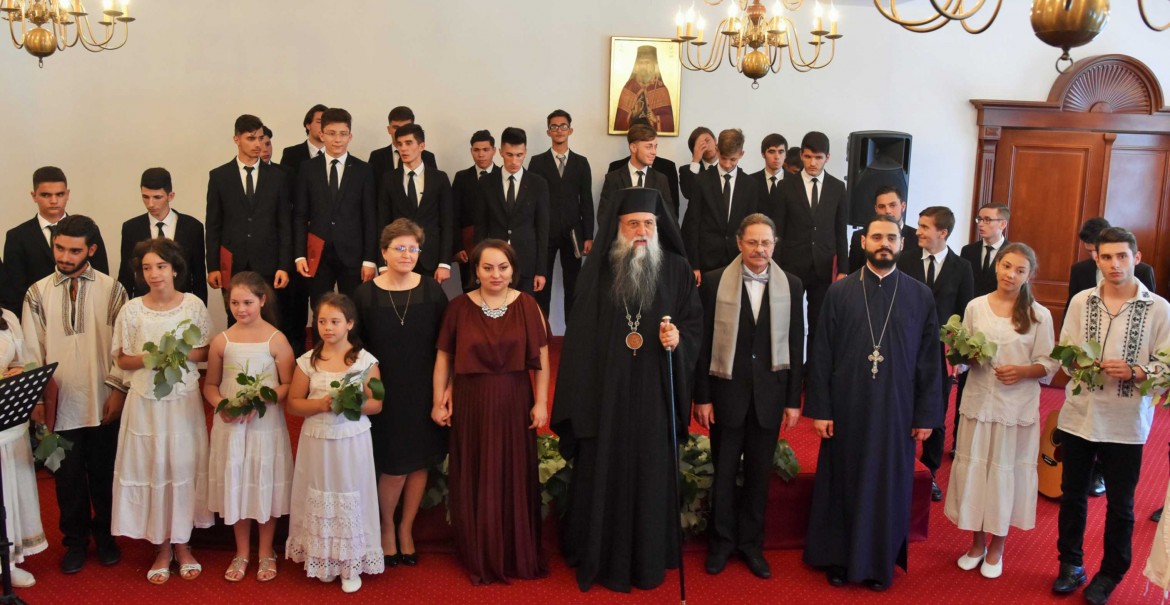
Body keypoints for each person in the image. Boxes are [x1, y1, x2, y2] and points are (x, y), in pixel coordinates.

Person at [553, 187, 702, 592]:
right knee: (604, 467)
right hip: (606, 395)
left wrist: (678, 339)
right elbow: (579, 339)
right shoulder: (600, 271)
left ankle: (649, 555)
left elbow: (693, 324)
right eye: (633, 223)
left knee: (651, 469)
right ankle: (600, 554)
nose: (641, 231)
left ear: (658, 227)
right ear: (618, 228)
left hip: (654, 392)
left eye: (648, 223)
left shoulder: (676, 269)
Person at [803, 215, 942, 592]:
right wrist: (821, 409)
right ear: (863, 242)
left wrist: (926, 415)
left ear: (902, 244)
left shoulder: (920, 295)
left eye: (891, 237)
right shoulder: (840, 291)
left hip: (897, 409)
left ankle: (879, 564)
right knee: (842, 481)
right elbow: (821, 353)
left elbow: (930, 361)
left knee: (887, 485)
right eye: (877, 237)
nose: (884, 243)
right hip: (846, 405)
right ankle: (837, 557)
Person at [1052, 227, 1170, 605]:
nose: (1114, 264)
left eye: (1122, 256)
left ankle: (1111, 572)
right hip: (1080, 415)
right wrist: (1079, 364)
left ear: (1137, 258)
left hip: (1126, 421)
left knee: (1121, 505)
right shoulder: (1081, 301)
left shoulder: (1159, 308)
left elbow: (1167, 365)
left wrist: (1136, 371)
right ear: (1096, 260)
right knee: (1072, 495)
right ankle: (1070, 563)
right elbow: (1065, 353)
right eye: (1106, 257)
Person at [431, 239, 550, 585]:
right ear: (476, 271)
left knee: (513, 471)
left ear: (513, 270)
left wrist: (541, 402)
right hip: (472, 401)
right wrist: (439, 399)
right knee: (476, 470)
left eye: (503, 267)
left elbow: (543, 357)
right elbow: (444, 358)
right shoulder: (459, 307)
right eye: (487, 267)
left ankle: (514, 550)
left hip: (515, 399)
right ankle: (479, 551)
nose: (496, 274)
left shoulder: (528, 305)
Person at [693, 213, 804, 580]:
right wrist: (702, 396)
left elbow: (796, 343)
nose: (760, 249)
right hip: (727, 393)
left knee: (758, 477)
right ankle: (721, 543)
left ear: (775, 245)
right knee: (724, 474)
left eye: (766, 242)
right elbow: (702, 344)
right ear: (739, 243)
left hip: (769, 396)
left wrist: (793, 400)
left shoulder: (792, 285)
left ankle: (752, 545)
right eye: (753, 242)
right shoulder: (713, 282)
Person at [945, 242, 1057, 579]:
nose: (1011, 274)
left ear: (1029, 275)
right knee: (977, 474)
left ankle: (997, 546)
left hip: (1014, 408)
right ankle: (976, 543)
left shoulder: (1039, 315)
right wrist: (964, 357)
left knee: (1003, 475)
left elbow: (1049, 364)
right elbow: (963, 355)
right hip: (979, 402)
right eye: (1006, 266)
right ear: (997, 266)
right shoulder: (975, 306)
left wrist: (1022, 371)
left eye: (1020, 270)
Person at [21, 214, 126, 575]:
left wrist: (117, 392)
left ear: (91, 250)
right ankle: (75, 542)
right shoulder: (37, 293)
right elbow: (31, 351)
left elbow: (122, 347)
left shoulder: (113, 289)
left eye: (74, 250)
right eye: (59, 248)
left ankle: (107, 537)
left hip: (102, 399)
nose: (64, 256)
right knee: (66, 480)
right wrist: (36, 400)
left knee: (103, 473)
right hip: (58, 404)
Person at [111, 237, 214, 584]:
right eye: (147, 268)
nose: (154, 274)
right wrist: (151, 358)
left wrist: (178, 355)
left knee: (181, 466)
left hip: (182, 401)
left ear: (174, 269)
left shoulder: (193, 305)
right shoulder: (131, 309)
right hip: (145, 402)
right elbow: (122, 359)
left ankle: (183, 544)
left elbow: (205, 351)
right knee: (154, 467)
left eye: (160, 266)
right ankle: (162, 547)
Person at [354, 219, 449, 569]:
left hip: (424, 390)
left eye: (413, 249)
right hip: (385, 392)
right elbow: (355, 349)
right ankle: (385, 527)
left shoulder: (431, 290)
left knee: (419, 464)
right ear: (384, 252)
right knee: (394, 467)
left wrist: (444, 391)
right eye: (400, 248)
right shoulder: (365, 294)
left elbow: (445, 344)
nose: (407, 254)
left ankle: (406, 528)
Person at [286, 293, 385, 593]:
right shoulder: (308, 361)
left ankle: (350, 563)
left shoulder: (365, 361)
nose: (327, 327)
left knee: (349, 491)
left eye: (335, 321)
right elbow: (293, 403)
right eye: (321, 322)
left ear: (349, 324)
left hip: (351, 440)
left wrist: (351, 403)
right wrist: (319, 405)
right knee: (321, 490)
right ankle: (324, 558)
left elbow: (377, 403)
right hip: (318, 440)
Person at [202, 271, 295, 583]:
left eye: (247, 302)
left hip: (264, 425)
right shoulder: (222, 340)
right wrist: (223, 405)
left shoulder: (276, 339)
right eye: (235, 303)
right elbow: (210, 385)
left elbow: (288, 385)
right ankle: (241, 551)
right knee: (237, 481)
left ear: (262, 300)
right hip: (231, 425)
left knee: (262, 480)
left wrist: (262, 398)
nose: (240, 309)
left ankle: (266, 551)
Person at [897, 205, 973, 501]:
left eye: (924, 227)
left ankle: (928, 474)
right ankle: (900, 468)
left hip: (940, 355)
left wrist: (958, 358)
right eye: (919, 225)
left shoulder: (961, 267)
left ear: (942, 232)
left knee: (935, 414)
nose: (918, 231)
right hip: (904, 349)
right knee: (901, 409)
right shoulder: (904, 259)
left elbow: (964, 312)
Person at [206, 114, 295, 343]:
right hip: (233, 260)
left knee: (270, 317)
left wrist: (284, 266)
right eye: (251, 138)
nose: (258, 144)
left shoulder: (278, 177)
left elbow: (284, 225)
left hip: (268, 260)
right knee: (234, 316)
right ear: (236, 139)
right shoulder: (219, 176)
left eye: (260, 138)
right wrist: (213, 266)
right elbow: (213, 225)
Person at [293, 107, 378, 304]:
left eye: (343, 134)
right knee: (319, 307)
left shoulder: (364, 170)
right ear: (322, 135)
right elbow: (300, 214)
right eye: (331, 133)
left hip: (353, 254)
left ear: (350, 136)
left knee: (354, 309)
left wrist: (369, 259)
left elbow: (370, 217)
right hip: (317, 254)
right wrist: (299, 255)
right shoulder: (307, 168)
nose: (337, 139)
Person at [774, 131, 849, 349]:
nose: (812, 163)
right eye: (807, 157)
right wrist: (776, 267)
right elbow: (778, 231)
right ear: (801, 155)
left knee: (820, 323)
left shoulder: (837, 188)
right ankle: (793, 367)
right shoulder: (785, 186)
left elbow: (840, 231)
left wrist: (843, 269)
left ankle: (815, 369)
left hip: (824, 266)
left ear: (827, 157)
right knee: (791, 323)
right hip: (792, 265)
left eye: (818, 157)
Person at [4, 166, 110, 317]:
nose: (53, 201)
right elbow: (15, 289)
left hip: (85, 313)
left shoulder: (88, 230)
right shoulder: (17, 236)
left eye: (59, 194)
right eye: (46, 195)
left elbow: (101, 276)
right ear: (34, 196)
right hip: (37, 315)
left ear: (67, 194)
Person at [955, 203, 1011, 455]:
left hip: (1000, 322)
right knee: (966, 383)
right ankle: (959, 440)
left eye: (988, 220)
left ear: (1002, 224)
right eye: (980, 219)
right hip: (973, 320)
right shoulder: (968, 250)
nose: (981, 224)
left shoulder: (1012, 252)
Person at [528, 109, 594, 318]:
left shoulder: (581, 162)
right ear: (548, 132)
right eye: (554, 127)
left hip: (573, 232)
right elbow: (532, 200)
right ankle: (542, 330)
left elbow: (586, 200)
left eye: (563, 126)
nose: (559, 130)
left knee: (573, 284)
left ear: (570, 130)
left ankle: (572, 333)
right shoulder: (537, 162)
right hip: (545, 232)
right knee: (541, 283)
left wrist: (588, 235)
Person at [0, 307, 48, 588]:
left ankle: (8, 561)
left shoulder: (7, 317)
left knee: (8, 492)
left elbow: (22, 361)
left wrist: (18, 372)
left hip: (8, 419)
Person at [681, 128, 767, 284]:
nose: (727, 164)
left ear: (741, 154)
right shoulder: (701, 181)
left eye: (733, 159)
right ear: (717, 150)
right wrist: (694, 265)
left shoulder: (751, 185)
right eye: (724, 158)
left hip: (738, 259)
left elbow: (750, 227)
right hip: (706, 260)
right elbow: (693, 223)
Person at [474, 127, 549, 295]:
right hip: (493, 264)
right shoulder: (486, 183)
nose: (514, 161)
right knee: (494, 307)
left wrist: (541, 271)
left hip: (527, 263)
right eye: (509, 155)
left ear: (525, 152)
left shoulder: (538, 184)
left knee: (524, 308)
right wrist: (479, 264)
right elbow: (480, 227)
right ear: (500, 152)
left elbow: (543, 230)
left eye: (519, 155)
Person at [377, 123, 454, 284]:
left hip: (431, 257)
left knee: (430, 299)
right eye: (400, 144)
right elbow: (383, 222)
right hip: (398, 256)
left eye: (408, 143)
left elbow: (447, 222)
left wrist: (445, 263)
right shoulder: (388, 179)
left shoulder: (439, 178)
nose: (403, 149)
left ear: (421, 146)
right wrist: (382, 262)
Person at [118, 167, 207, 303]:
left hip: (182, 303)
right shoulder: (131, 228)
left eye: (157, 197)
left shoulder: (192, 227)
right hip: (144, 303)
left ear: (170, 196)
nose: (150, 204)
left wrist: (200, 310)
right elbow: (126, 274)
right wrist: (123, 308)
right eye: (145, 197)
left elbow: (198, 276)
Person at [1066, 217, 1157, 309]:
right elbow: (1071, 307)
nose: (1094, 256)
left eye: (1096, 251)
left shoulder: (1143, 271)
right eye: (1089, 251)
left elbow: (1150, 305)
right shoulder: (1079, 270)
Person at [451, 130, 498, 292]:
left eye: (485, 150)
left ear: (494, 150)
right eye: (476, 150)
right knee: (470, 289)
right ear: (471, 151)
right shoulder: (462, 177)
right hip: (468, 245)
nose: (481, 155)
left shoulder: (503, 176)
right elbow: (454, 216)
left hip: (497, 242)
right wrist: (457, 247)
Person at [599, 123, 674, 223]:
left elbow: (669, 218)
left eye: (655, 147)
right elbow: (604, 218)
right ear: (633, 147)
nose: (654, 152)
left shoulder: (661, 180)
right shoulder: (613, 179)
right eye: (649, 147)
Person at [848, 186, 919, 274]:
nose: (887, 211)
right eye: (882, 206)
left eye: (892, 205)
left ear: (903, 206)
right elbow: (853, 273)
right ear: (876, 209)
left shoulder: (917, 237)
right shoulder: (859, 236)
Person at [368, 105, 439, 189]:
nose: (401, 131)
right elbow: (372, 188)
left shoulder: (428, 157)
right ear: (389, 129)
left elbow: (434, 188)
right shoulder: (376, 157)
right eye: (396, 127)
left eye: (406, 127)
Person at [612, 45, 675, 134]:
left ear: (654, 65)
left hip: (651, 136)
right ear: (636, 66)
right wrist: (633, 115)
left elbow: (669, 122)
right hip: (633, 135)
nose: (644, 66)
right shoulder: (629, 87)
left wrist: (656, 119)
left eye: (647, 63)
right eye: (641, 63)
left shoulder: (661, 88)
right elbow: (620, 121)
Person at [277, 103, 327, 182]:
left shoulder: (336, 154)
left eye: (327, 123)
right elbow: (284, 184)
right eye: (319, 122)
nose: (324, 126)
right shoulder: (291, 154)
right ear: (308, 125)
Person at [751, 133, 787, 216]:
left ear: (786, 154)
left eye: (781, 152)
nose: (777, 157)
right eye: (771, 152)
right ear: (763, 154)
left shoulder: (795, 182)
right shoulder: (751, 181)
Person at [679, 126, 717, 203]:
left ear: (715, 140)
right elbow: (688, 194)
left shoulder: (728, 165)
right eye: (700, 145)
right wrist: (695, 160)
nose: (706, 146)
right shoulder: (685, 170)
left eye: (707, 141)